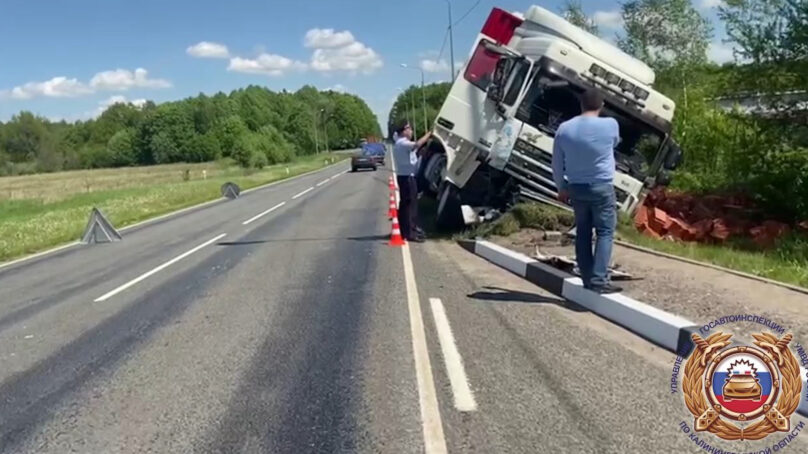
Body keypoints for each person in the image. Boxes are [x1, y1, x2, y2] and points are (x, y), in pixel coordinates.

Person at [551, 89, 622, 294]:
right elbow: (614, 142)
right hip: (601, 186)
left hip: (576, 188)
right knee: (605, 232)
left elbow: (557, 163)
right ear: (601, 106)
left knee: (583, 232)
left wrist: (561, 187)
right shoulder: (610, 125)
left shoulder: (564, 129)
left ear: (581, 105)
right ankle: (599, 280)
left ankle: (587, 279)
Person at [393, 121, 431, 242]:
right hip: (407, 178)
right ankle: (411, 233)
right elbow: (417, 144)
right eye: (409, 128)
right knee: (411, 205)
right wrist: (429, 134)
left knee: (405, 204)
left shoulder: (400, 143)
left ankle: (405, 230)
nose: (411, 130)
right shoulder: (403, 143)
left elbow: (414, 154)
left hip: (404, 177)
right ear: (403, 131)